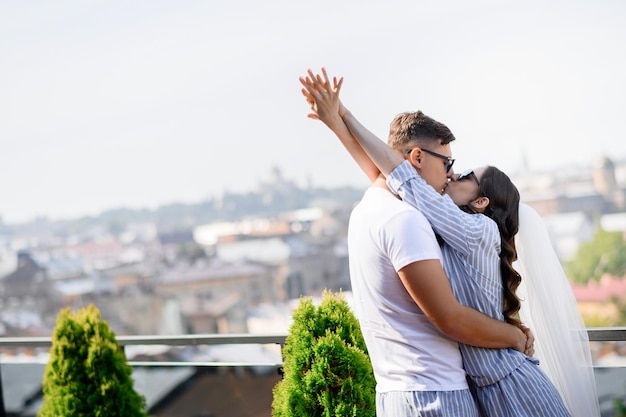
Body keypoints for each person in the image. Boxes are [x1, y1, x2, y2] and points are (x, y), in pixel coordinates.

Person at [299, 68, 599, 416]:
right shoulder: (431, 224)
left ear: (482, 202)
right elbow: (390, 180)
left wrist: (344, 116)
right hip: (481, 388)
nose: (454, 173)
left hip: (512, 385)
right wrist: (337, 121)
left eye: (466, 174)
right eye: (449, 164)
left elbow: (404, 180)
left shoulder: (478, 232)